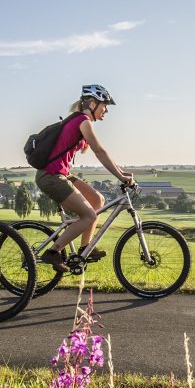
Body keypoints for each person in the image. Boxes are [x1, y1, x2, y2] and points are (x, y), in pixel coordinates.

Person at [35, 84, 135, 271]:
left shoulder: (80, 121)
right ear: (92, 103)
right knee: (89, 215)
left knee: (98, 200)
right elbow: (99, 151)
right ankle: (53, 252)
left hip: (61, 174)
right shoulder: (83, 121)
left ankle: (84, 248)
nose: (106, 111)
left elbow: (102, 153)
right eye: (104, 106)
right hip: (51, 176)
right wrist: (120, 177)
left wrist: (122, 172)